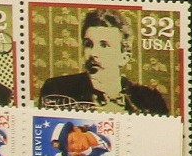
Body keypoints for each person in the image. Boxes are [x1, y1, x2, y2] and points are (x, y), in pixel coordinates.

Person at [38, 8, 168, 115]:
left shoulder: (149, 100)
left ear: (124, 57)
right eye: (88, 44)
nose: (93, 53)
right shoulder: (58, 90)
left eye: (104, 45)